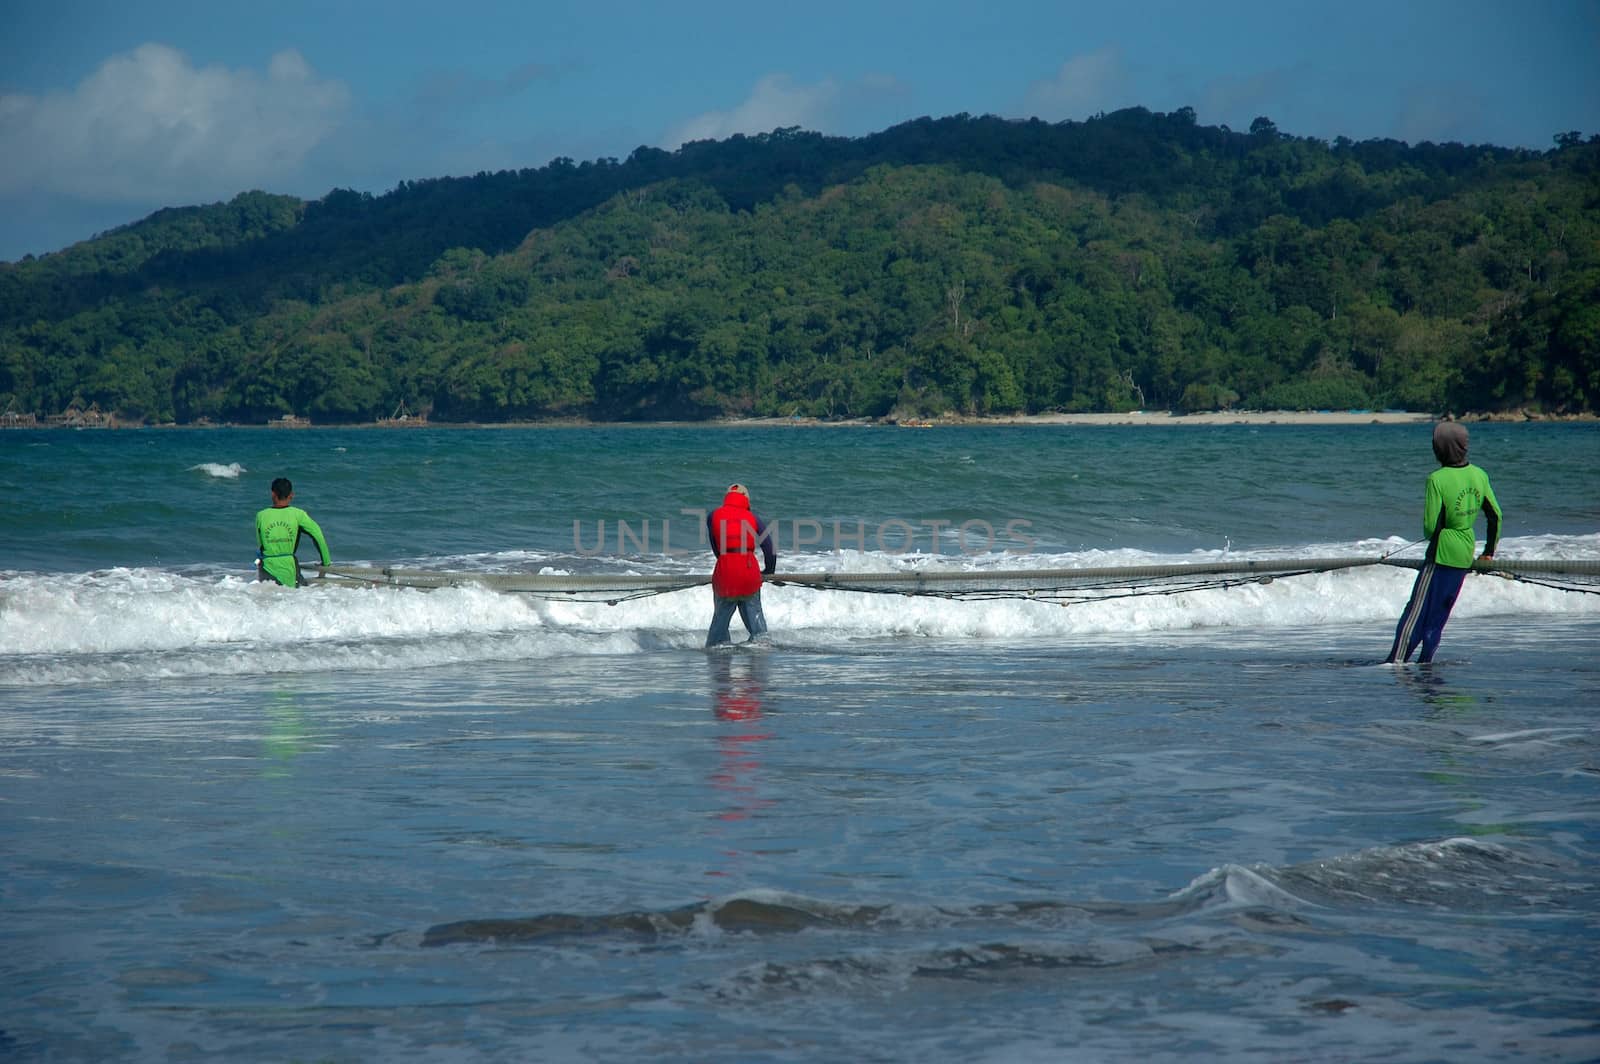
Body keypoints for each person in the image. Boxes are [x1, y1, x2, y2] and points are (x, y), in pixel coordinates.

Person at [1386, 421, 1501, 664]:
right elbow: (1495, 516)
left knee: (1415, 613)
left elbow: (1430, 528)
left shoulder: (1436, 479)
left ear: (1441, 448)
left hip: (1441, 554)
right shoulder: (1479, 474)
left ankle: (1395, 664)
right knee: (1438, 617)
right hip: (1464, 553)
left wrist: (1440, 532)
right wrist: (1488, 552)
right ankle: (1425, 665)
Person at [704, 483, 777, 647]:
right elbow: (770, 548)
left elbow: (716, 548)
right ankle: (760, 657)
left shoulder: (713, 516)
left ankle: (718, 660)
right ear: (746, 499)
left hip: (725, 574)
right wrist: (769, 571)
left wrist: (726, 562)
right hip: (749, 573)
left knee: (718, 633)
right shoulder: (753, 518)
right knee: (759, 632)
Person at [255, 477, 331, 587]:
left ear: (272, 494)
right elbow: (318, 535)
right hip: (289, 568)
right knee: (297, 595)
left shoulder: (260, 515)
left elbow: (261, 545)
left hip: (266, 568)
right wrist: (326, 563)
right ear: (291, 495)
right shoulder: (298, 515)